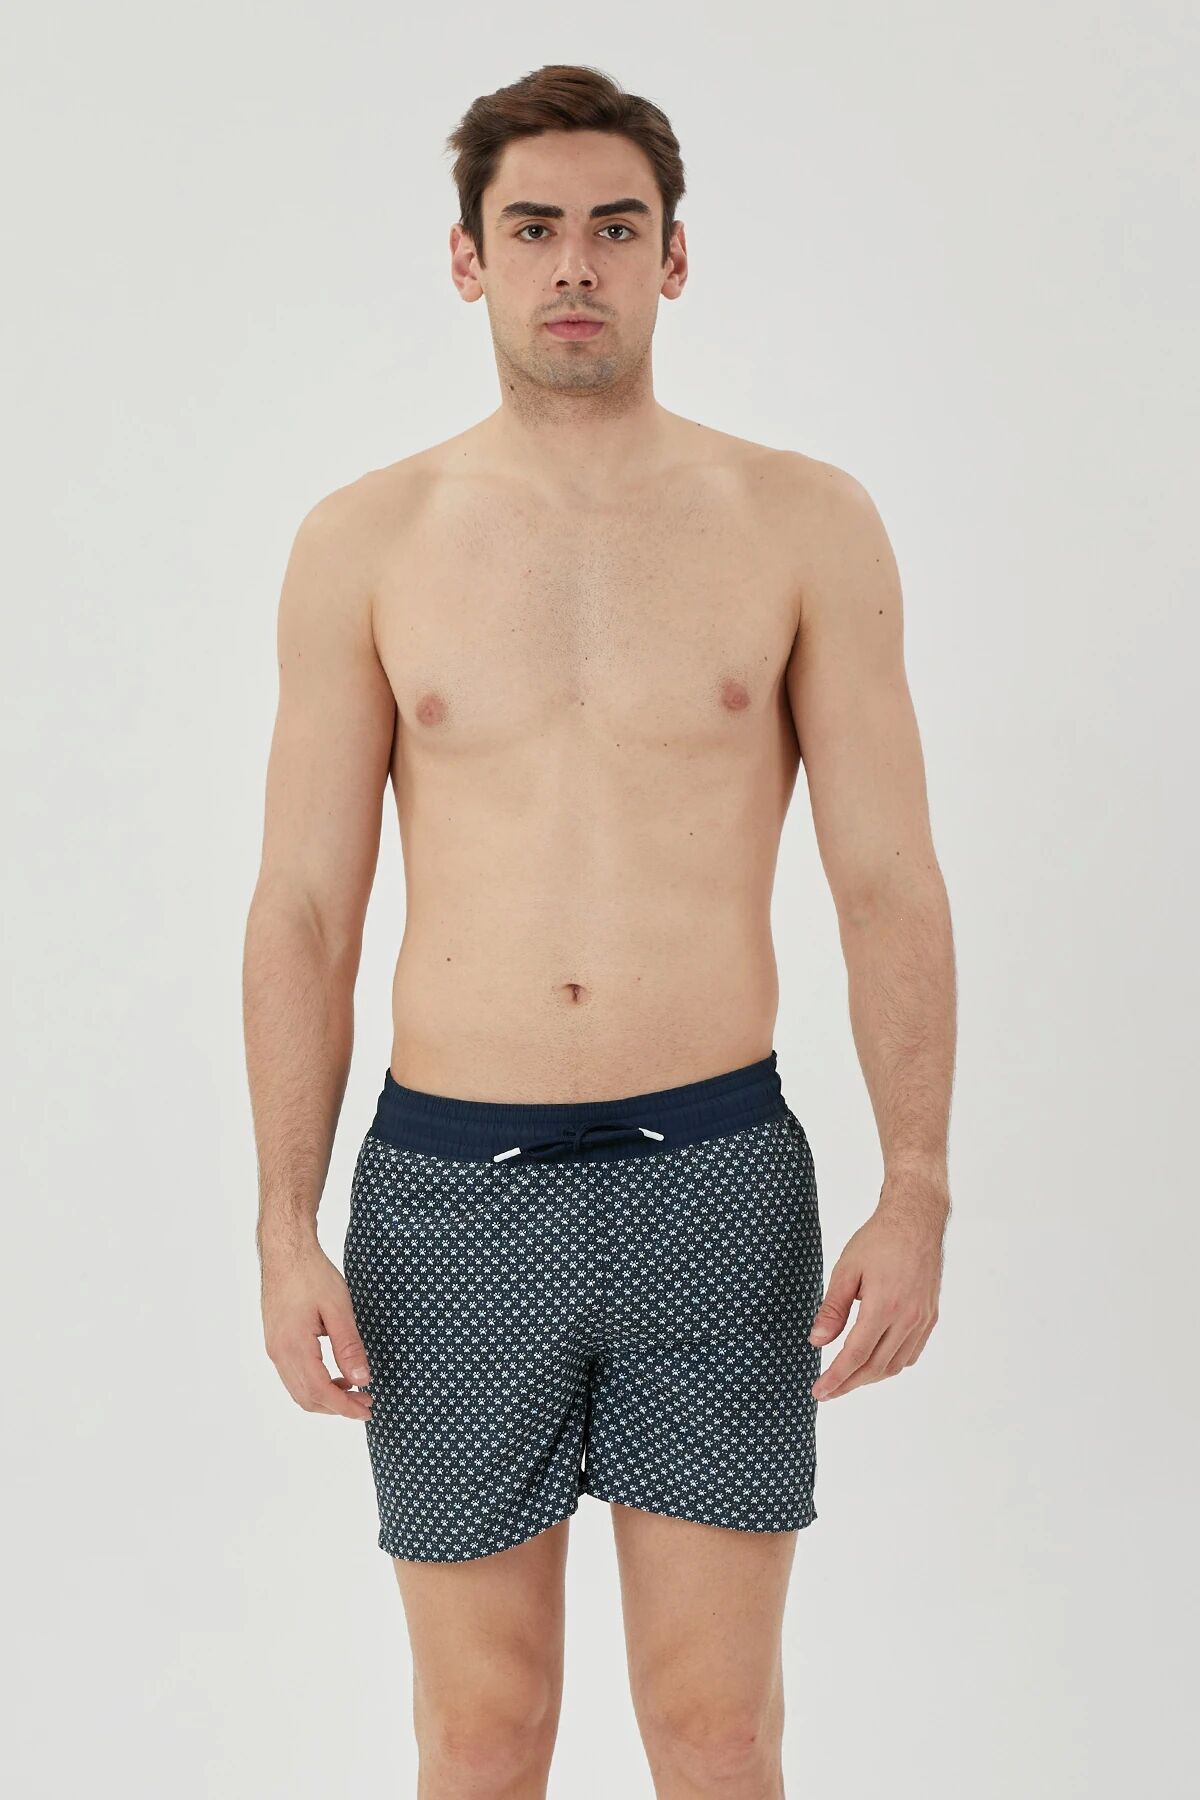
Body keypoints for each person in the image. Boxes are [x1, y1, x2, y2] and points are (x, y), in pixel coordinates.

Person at [243, 61, 955, 1799]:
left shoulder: (801, 521)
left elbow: (887, 880)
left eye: (616, 229)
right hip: (444, 1200)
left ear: (674, 258)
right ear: (469, 259)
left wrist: (918, 1183)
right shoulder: (366, 540)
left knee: (717, 1734)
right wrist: (280, 1219)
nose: (576, 264)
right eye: (535, 228)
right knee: (480, 1738)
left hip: (715, 1177)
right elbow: (307, 907)